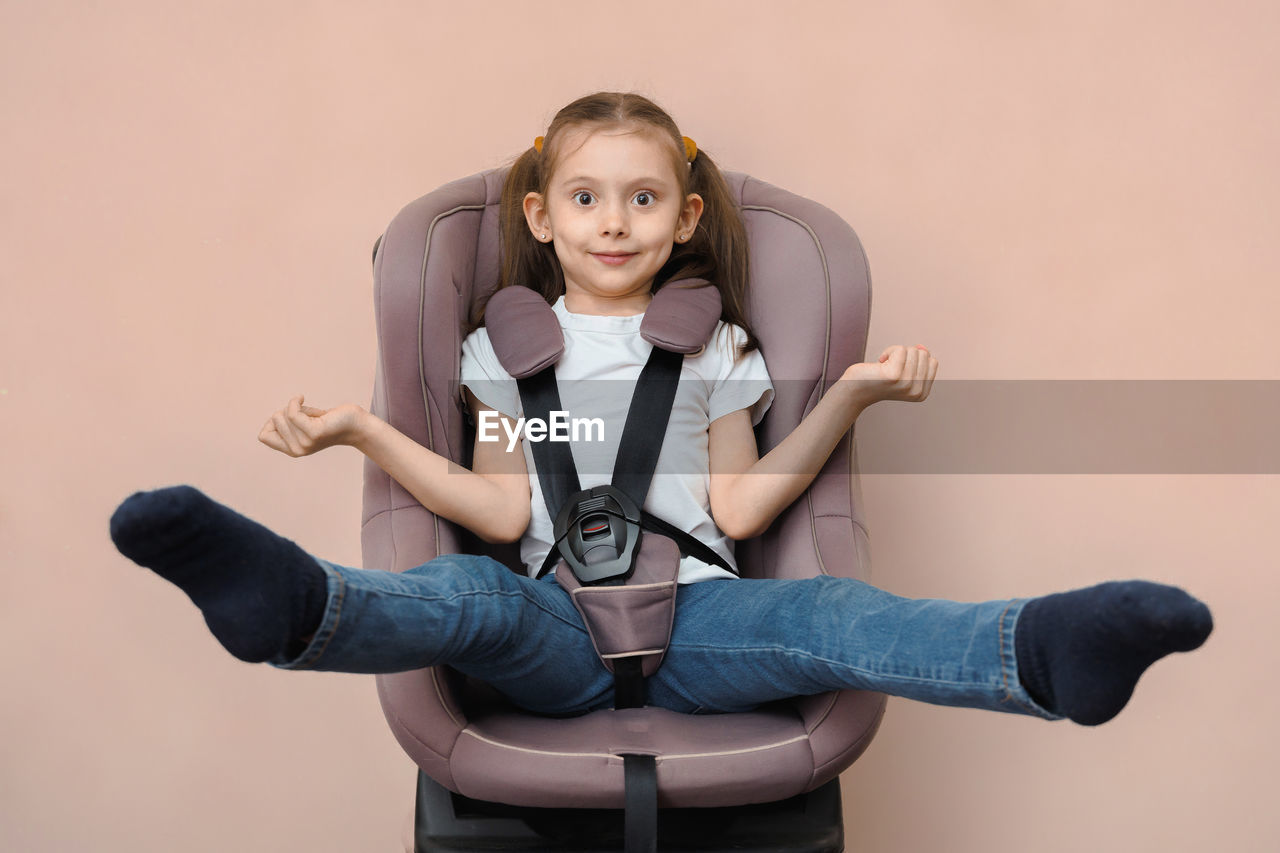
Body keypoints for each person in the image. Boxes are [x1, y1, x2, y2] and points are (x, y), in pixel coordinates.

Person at [109, 91, 1212, 725]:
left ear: (683, 215)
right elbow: (497, 516)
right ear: (540, 216)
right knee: (460, 592)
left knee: (830, 610)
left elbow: (740, 507)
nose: (613, 222)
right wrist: (364, 428)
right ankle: (298, 605)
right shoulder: (504, 349)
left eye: (642, 199)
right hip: (550, 626)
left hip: (700, 619)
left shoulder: (712, 346)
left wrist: (851, 397)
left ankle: (1037, 651)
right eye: (586, 199)